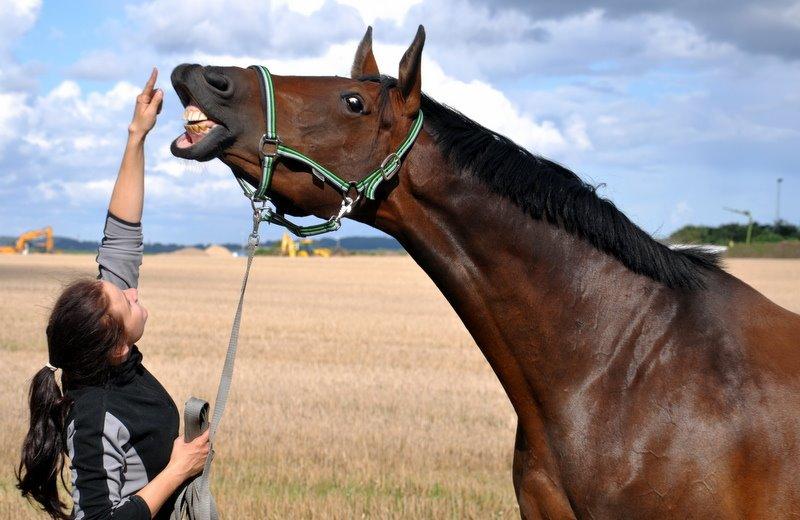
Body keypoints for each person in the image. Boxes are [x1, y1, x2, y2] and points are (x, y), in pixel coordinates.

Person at [16, 67, 210, 520]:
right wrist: (176, 471)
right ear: (118, 345)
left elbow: (122, 236)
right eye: (128, 301)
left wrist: (137, 134)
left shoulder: (108, 360)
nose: (134, 291)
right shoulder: (93, 418)